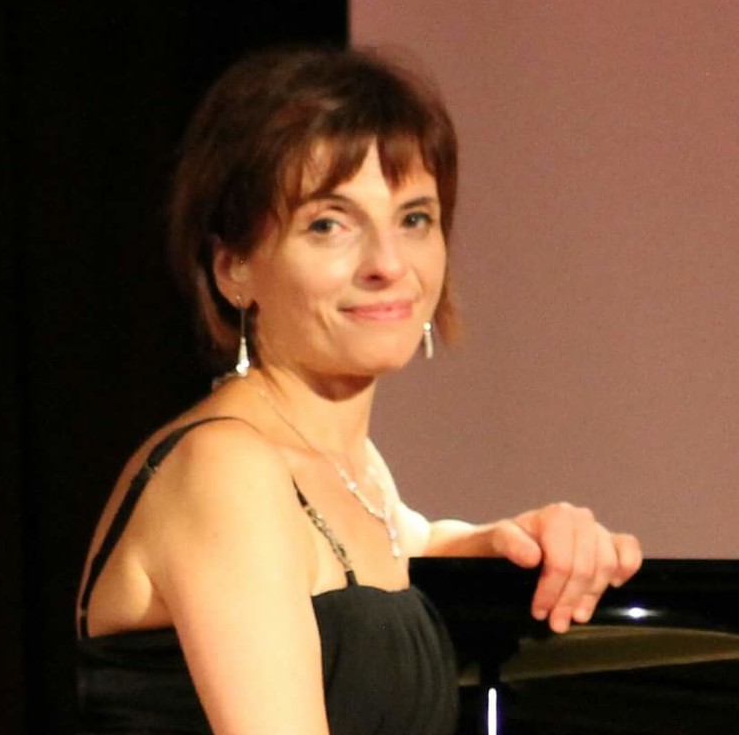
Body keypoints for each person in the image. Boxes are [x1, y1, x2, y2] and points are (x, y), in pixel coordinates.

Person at [75, 45, 642, 735]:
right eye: (329, 225)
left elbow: (399, 551)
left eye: (414, 218)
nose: (387, 263)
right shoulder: (226, 469)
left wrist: (524, 541)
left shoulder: (353, 470)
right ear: (234, 268)